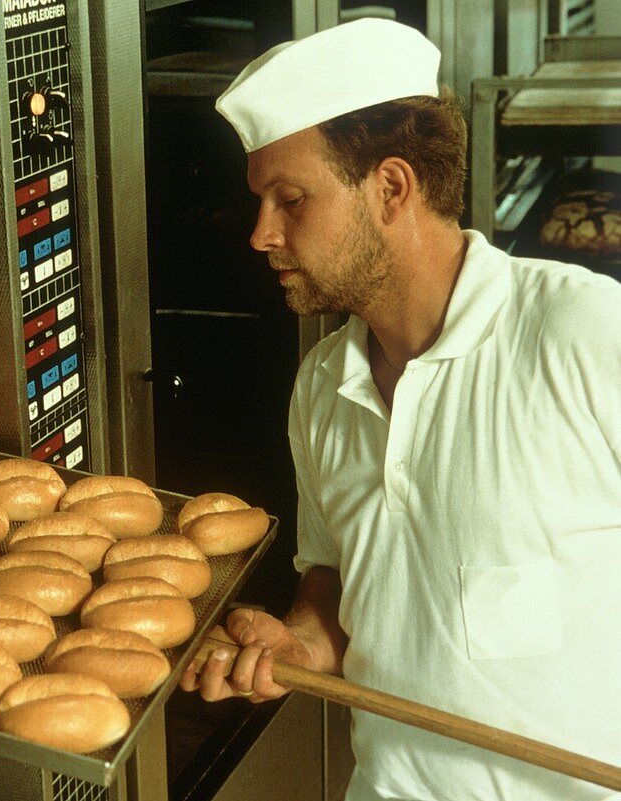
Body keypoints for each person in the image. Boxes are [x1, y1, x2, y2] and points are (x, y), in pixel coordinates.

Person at [178, 17, 621, 801]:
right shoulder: (323, 386)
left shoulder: (580, 333)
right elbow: (342, 574)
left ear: (390, 187)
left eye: (290, 200)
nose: (261, 235)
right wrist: (305, 642)